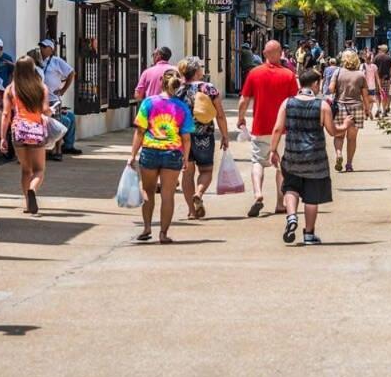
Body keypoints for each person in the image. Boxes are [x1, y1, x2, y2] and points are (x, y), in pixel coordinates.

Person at [269, 69, 352, 245]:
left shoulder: (287, 103)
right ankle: (308, 234)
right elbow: (332, 131)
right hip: (316, 158)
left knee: (291, 187)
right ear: (315, 84)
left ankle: (291, 216)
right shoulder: (322, 106)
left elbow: (277, 128)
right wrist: (345, 125)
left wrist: (273, 150)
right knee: (312, 197)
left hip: (292, 156)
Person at [128, 68, 193, 243]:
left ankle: (147, 227)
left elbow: (140, 132)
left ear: (160, 83)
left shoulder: (148, 103)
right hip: (172, 153)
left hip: (150, 150)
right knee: (167, 194)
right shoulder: (182, 107)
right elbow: (186, 138)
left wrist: (133, 154)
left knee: (148, 191)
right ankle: (163, 233)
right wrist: (186, 158)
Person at [237, 40, 299, 217]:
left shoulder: (254, 73)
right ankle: (280, 203)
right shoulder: (288, 75)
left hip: (260, 126)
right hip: (284, 129)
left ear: (264, 54)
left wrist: (241, 119)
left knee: (257, 162)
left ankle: (257, 193)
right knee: (282, 166)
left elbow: (244, 100)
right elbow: (294, 102)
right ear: (280, 53)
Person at [175, 56, 230, 219]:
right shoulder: (208, 88)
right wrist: (225, 135)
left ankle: (192, 211)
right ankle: (198, 193)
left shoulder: (178, 89)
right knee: (206, 170)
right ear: (197, 71)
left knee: (187, 173)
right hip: (204, 135)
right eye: (201, 67)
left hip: (183, 135)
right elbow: (219, 115)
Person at [0, 56, 52, 216]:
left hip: (19, 131)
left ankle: (28, 204)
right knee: (39, 170)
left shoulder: (10, 89)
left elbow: (6, 114)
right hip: (36, 132)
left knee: (25, 170)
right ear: (32, 69)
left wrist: (2, 137)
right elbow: (45, 110)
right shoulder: (41, 88)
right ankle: (32, 189)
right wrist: (50, 112)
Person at [37, 39, 81, 157]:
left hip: (53, 99)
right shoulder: (37, 61)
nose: (42, 49)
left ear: (51, 50)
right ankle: (49, 149)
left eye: (45, 47)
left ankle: (58, 151)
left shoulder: (56, 61)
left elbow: (71, 73)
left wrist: (63, 90)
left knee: (56, 123)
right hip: (41, 99)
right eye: (41, 47)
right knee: (46, 124)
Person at [330, 50, 372, 172]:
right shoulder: (360, 75)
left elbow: (331, 89)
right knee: (352, 138)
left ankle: (338, 154)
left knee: (339, 135)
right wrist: (367, 109)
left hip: (340, 106)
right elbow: (365, 95)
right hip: (356, 107)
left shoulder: (337, 72)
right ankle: (349, 164)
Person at [373, 45, 391, 115]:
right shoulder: (389, 58)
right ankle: (384, 110)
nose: (378, 50)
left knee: (377, 94)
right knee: (384, 94)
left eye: (379, 49)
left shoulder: (376, 57)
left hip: (377, 79)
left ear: (381, 50)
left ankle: (378, 108)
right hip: (386, 79)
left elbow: (373, 68)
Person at [362, 49, 380, 118]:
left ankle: (365, 114)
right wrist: (379, 86)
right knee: (372, 100)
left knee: (364, 100)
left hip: (364, 86)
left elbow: (361, 76)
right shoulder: (374, 66)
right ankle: (370, 110)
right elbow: (377, 77)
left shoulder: (362, 66)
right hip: (372, 86)